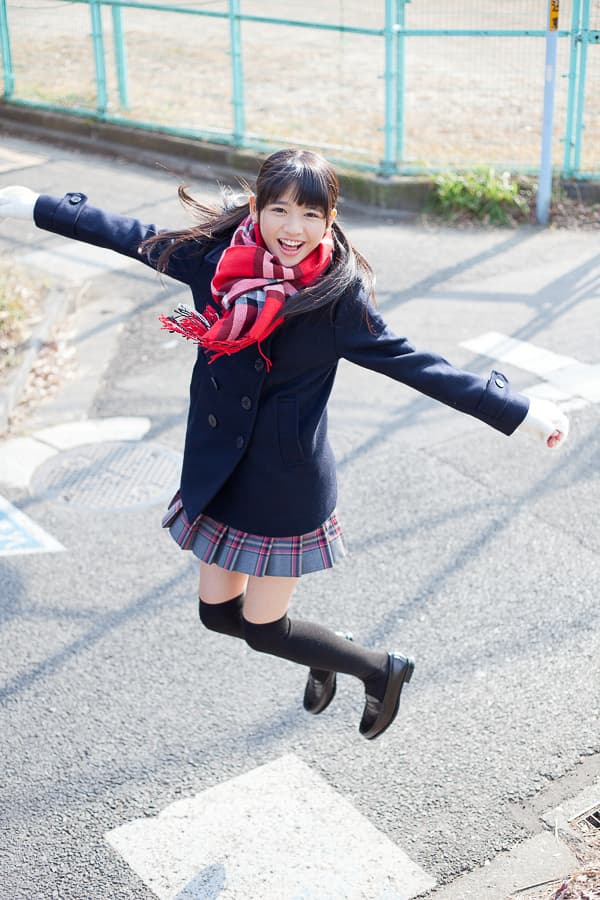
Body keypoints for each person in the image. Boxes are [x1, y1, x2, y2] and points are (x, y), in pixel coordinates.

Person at [0, 149, 569, 740]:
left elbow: (417, 365)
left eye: (310, 215)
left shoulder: (336, 300)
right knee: (218, 615)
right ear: (256, 208)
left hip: (283, 482)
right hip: (222, 468)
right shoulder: (216, 260)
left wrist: (520, 410)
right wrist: (37, 207)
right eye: (280, 210)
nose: (293, 229)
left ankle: (380, 669)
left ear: (330, 220)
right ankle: (322, 652)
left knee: (265, 628)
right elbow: (134, 236)